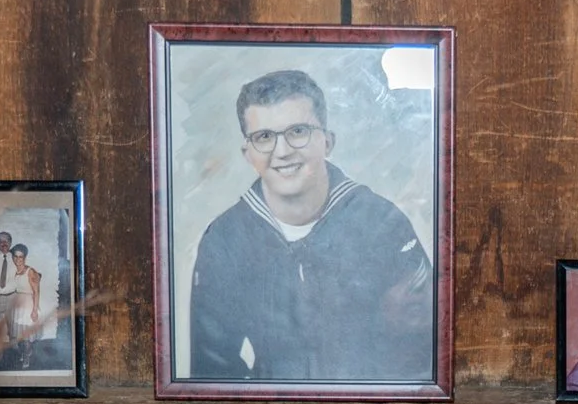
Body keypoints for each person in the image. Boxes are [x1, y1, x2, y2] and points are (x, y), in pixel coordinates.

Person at [184, 68, 435, 383]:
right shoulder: (225, 240)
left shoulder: (382, 224)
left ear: (327, 141)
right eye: (264, 137)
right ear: (248, 154)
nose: (282, 151)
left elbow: (421, 349)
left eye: (298, 131)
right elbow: (212, 371)